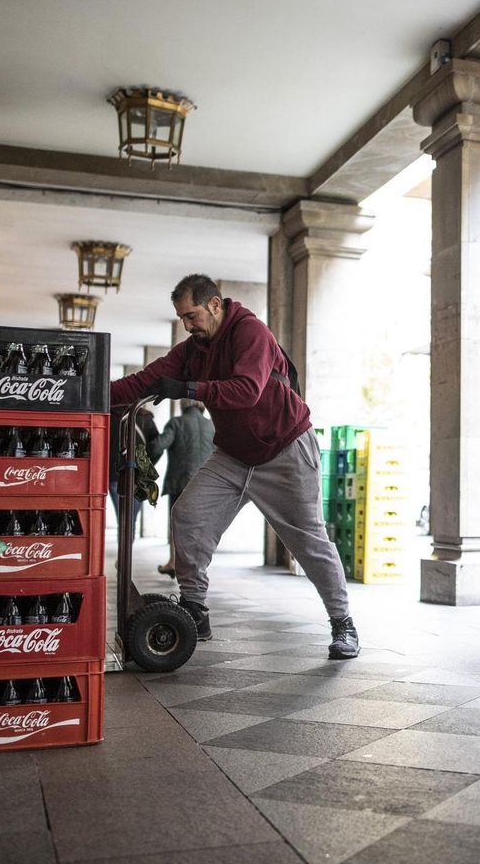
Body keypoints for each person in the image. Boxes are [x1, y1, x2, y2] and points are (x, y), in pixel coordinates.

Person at [110, 275, 359, 658]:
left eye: (191, 315)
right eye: (181, 318)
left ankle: (343, 624)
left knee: (309, 542)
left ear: (214, 304)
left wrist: (189, 389)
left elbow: (247, 390)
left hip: (285, 448)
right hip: (233, 455)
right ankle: (195, 610)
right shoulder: (194, 349)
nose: (188, 325)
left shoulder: (250, 332)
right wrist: (87, 391)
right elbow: (145, 381)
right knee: (189, 515)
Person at [156, 400, 215, 577]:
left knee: (176, 523)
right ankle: (198, 565)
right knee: (201, 525)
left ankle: (174, 562)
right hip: (205, 483)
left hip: (179, 482)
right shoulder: (211, 426)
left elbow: (158, 445)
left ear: (183, 405)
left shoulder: (176, 423)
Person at [108, 403, 163, 537]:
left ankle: (123, 554)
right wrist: (147, 466)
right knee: (130, 517)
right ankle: (127, 554)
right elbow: (157, 448)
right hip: (139, 477)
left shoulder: (110, 418)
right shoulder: (146, 419)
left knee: (122, 517)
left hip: (115, 475)